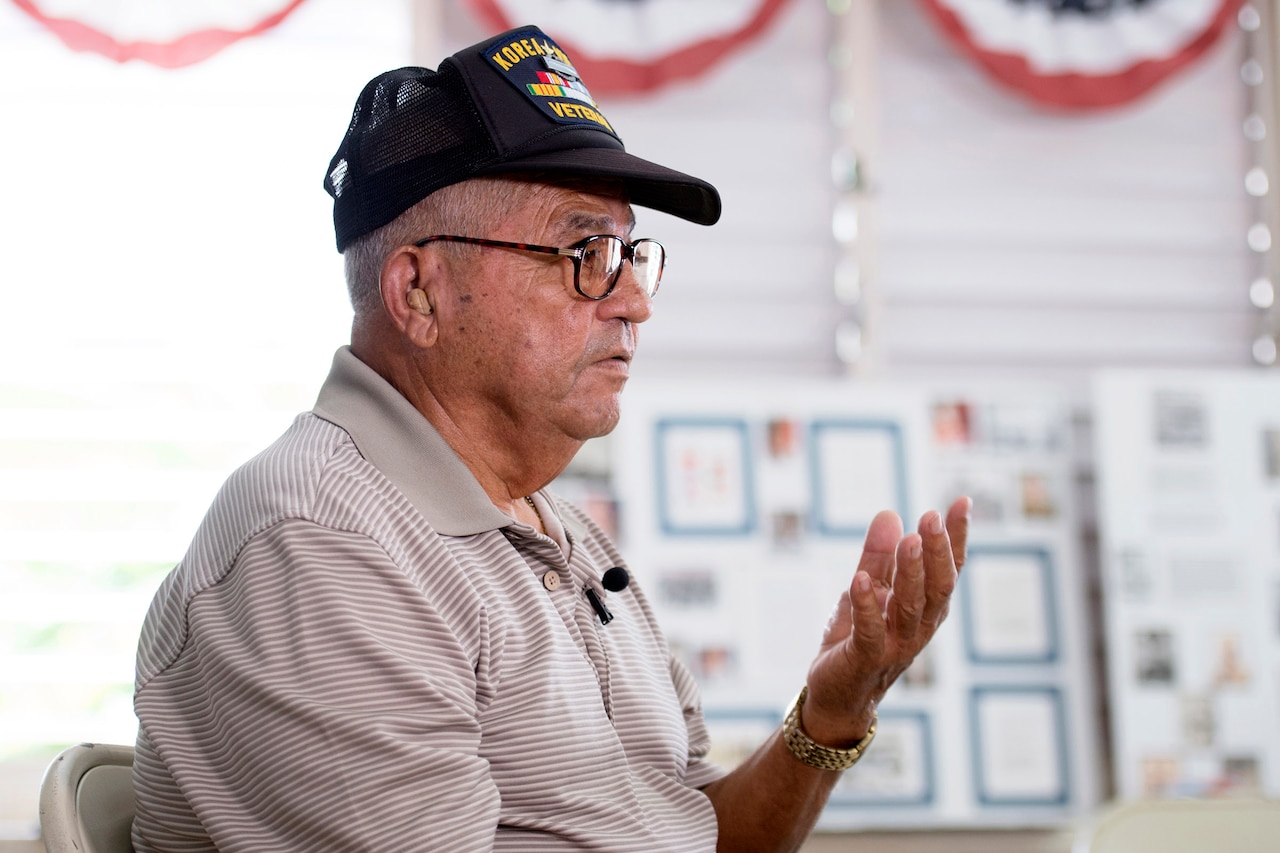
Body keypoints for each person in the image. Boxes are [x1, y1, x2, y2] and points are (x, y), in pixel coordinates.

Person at [131, 24, 969, 853]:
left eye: (630, 253)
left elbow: (695, 831)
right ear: (418, 292)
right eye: (584, 251)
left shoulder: (559, 532)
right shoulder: (323, 545)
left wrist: (834, 707)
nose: (634, 301)